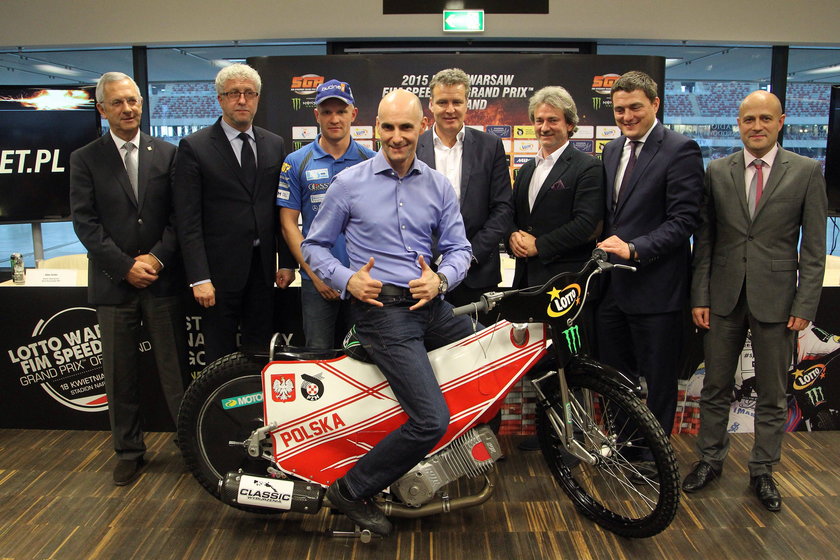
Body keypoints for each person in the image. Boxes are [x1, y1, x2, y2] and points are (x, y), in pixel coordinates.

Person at [301, 89, 475, 536]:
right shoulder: (350, 183)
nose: (397, 138)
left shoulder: (438, 185)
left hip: (431, 306)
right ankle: (352, 488)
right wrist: (346, 280)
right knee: (431, 418)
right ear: (376, 128)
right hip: (382, 314)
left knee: (491, 361)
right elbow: (314, 246)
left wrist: (442, 279)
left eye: (406, 128)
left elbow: (459, 248)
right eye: (389, 127)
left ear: (422, 128)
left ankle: (444, 467)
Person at [684, 90, 827, 512]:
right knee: (715, 386)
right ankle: (710, 461)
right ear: (739, 123)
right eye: (749, 119)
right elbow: (705, 241)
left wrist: (805, 305)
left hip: (778, 301)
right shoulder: (717, 171)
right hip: (724, 298)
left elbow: (814, 249)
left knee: (772, 392)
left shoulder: (805, 171)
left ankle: (763, 470)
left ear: (781, 121)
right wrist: (701, 294)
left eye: (766, 118)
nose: (757, 126)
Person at [70, 72, 188, 486]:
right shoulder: (85, 158)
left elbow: (180, 219)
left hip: (161, 280)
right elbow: (85, 224)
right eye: (118, 103)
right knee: (119, 375)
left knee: (175, 371)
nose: (128, 109)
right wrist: (125, 266)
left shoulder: (168, 154)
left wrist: (154, 259)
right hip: (114, 284)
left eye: (133, 101)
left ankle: (188, 445)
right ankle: (129, 450)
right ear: (102, 109)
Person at [596, 71, 704, 444]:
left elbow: (684, 220)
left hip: (657, 290)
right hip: (613, 290)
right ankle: (624, 444)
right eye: (619, 109)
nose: (626, 116)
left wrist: (636, 248)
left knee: (658, 381)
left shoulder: (680, 148)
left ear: (655, 104)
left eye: (635, 107)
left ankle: (653, 456)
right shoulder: (611, 150)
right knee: (615, 376)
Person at [173, 63, 295, 365]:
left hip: (263, 271)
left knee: (259, 353)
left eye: (249, 94)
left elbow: (281, 208)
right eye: (234, 94)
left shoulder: (274, 143)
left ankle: (255, 410)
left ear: (257, 98)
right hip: (217, 275)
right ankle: (220, 410)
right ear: (220, 99)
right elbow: (187, 220)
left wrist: (287, 262)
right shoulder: (194, 147)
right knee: (219, 355)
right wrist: (199, 277)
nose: (242, 100)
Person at [507, 85, 605, 452]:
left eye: (553, 120)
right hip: (530, 283)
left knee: (572, 360)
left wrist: (540, 245)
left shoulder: (588, 167)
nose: (544, 126)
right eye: (539, 120)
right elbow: (518, 219)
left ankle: (576, 435)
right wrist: (513, 236)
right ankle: (548, 431)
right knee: (542, 359)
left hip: (568, 286)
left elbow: (588, 226)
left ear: (570, 125)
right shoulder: (529, 167)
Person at [277, 79, 375, 348]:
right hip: (316, 282)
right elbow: (288, 224)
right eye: (327, 111)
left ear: (353, 115)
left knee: (367, 358)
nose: (335, 119)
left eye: (341, 111)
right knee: (318, 362)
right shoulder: (296, 162)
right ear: (316, 115)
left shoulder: (371, 160)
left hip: (362, 280)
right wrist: (317, 274)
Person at [416, 68, 513, 307]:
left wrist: (468, 256)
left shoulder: (490, 146)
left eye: (456, 102)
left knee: (480, 343)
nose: (450, 109)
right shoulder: (413, 148)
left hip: (477, 274)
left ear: (467, 104)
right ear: (431, 105)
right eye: (442, 102)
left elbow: (502, 208)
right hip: (422, 273)